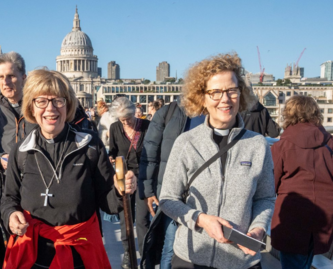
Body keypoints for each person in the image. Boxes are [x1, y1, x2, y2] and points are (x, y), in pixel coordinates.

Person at [0, 69, 137, 268]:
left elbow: (109, 204)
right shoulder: (20, 151)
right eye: (41, 101)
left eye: (58, 100)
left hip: (80, 256)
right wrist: (11, 215)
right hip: (34, 257)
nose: (50, 108)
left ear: (68, 104)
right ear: (31, 106)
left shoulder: (90, 145)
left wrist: (119, 189)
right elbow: (9, 198)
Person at [159, 53, 275, 269]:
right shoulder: (186, 142)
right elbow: (167, 199)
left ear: (241, 94)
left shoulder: (257, 144)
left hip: (241, 261)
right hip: (191, 258)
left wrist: (259, 228)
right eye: (215, 92)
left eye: (232, 90)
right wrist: (201, 219)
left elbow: (266, 197)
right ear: (202, 97)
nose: (225, 99)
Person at [140, 102, 205, 268]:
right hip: (173, 194)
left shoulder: (217, 113)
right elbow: (150, 154)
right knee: (170, 246)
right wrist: (148, 191)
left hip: (205, 195)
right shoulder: (169, 112)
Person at [271, 95, 333, 269]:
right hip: (324, 213)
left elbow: (271, 186)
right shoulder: (330, 143)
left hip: (292, 215)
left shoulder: (281, 146)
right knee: (306, 261)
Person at [108, 97, 150, 268]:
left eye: (128, 119)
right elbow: (113, 150)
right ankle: (128, 254)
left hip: (141, 177)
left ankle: (145, 255)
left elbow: (152, 156)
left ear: (134, 113)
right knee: (125, 219)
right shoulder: (115, 128)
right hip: (123, 179)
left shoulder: (146, 127)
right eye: (122, 120)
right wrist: (111, 159)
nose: (125, 123)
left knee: (141, 221)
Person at [0, 51, 36, 171]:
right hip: (7, 180)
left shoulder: (38, 108)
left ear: (23, 78)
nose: (6, 82)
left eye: (11, 76)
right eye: (1, 77)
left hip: (36, 178)